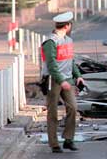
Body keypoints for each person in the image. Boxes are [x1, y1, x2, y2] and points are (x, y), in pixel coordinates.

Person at [41, 11, 84, 153]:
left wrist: (78, 75)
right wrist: (61, 80)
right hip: (53, 80)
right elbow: (52, 64)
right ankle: (54, 144)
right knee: (52, 112)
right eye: (70, 24)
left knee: (73, 107)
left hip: (67, 79)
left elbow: (70, 61)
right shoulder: (51, 41)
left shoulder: (68, 40)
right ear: (67, 26)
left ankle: (68, 139)